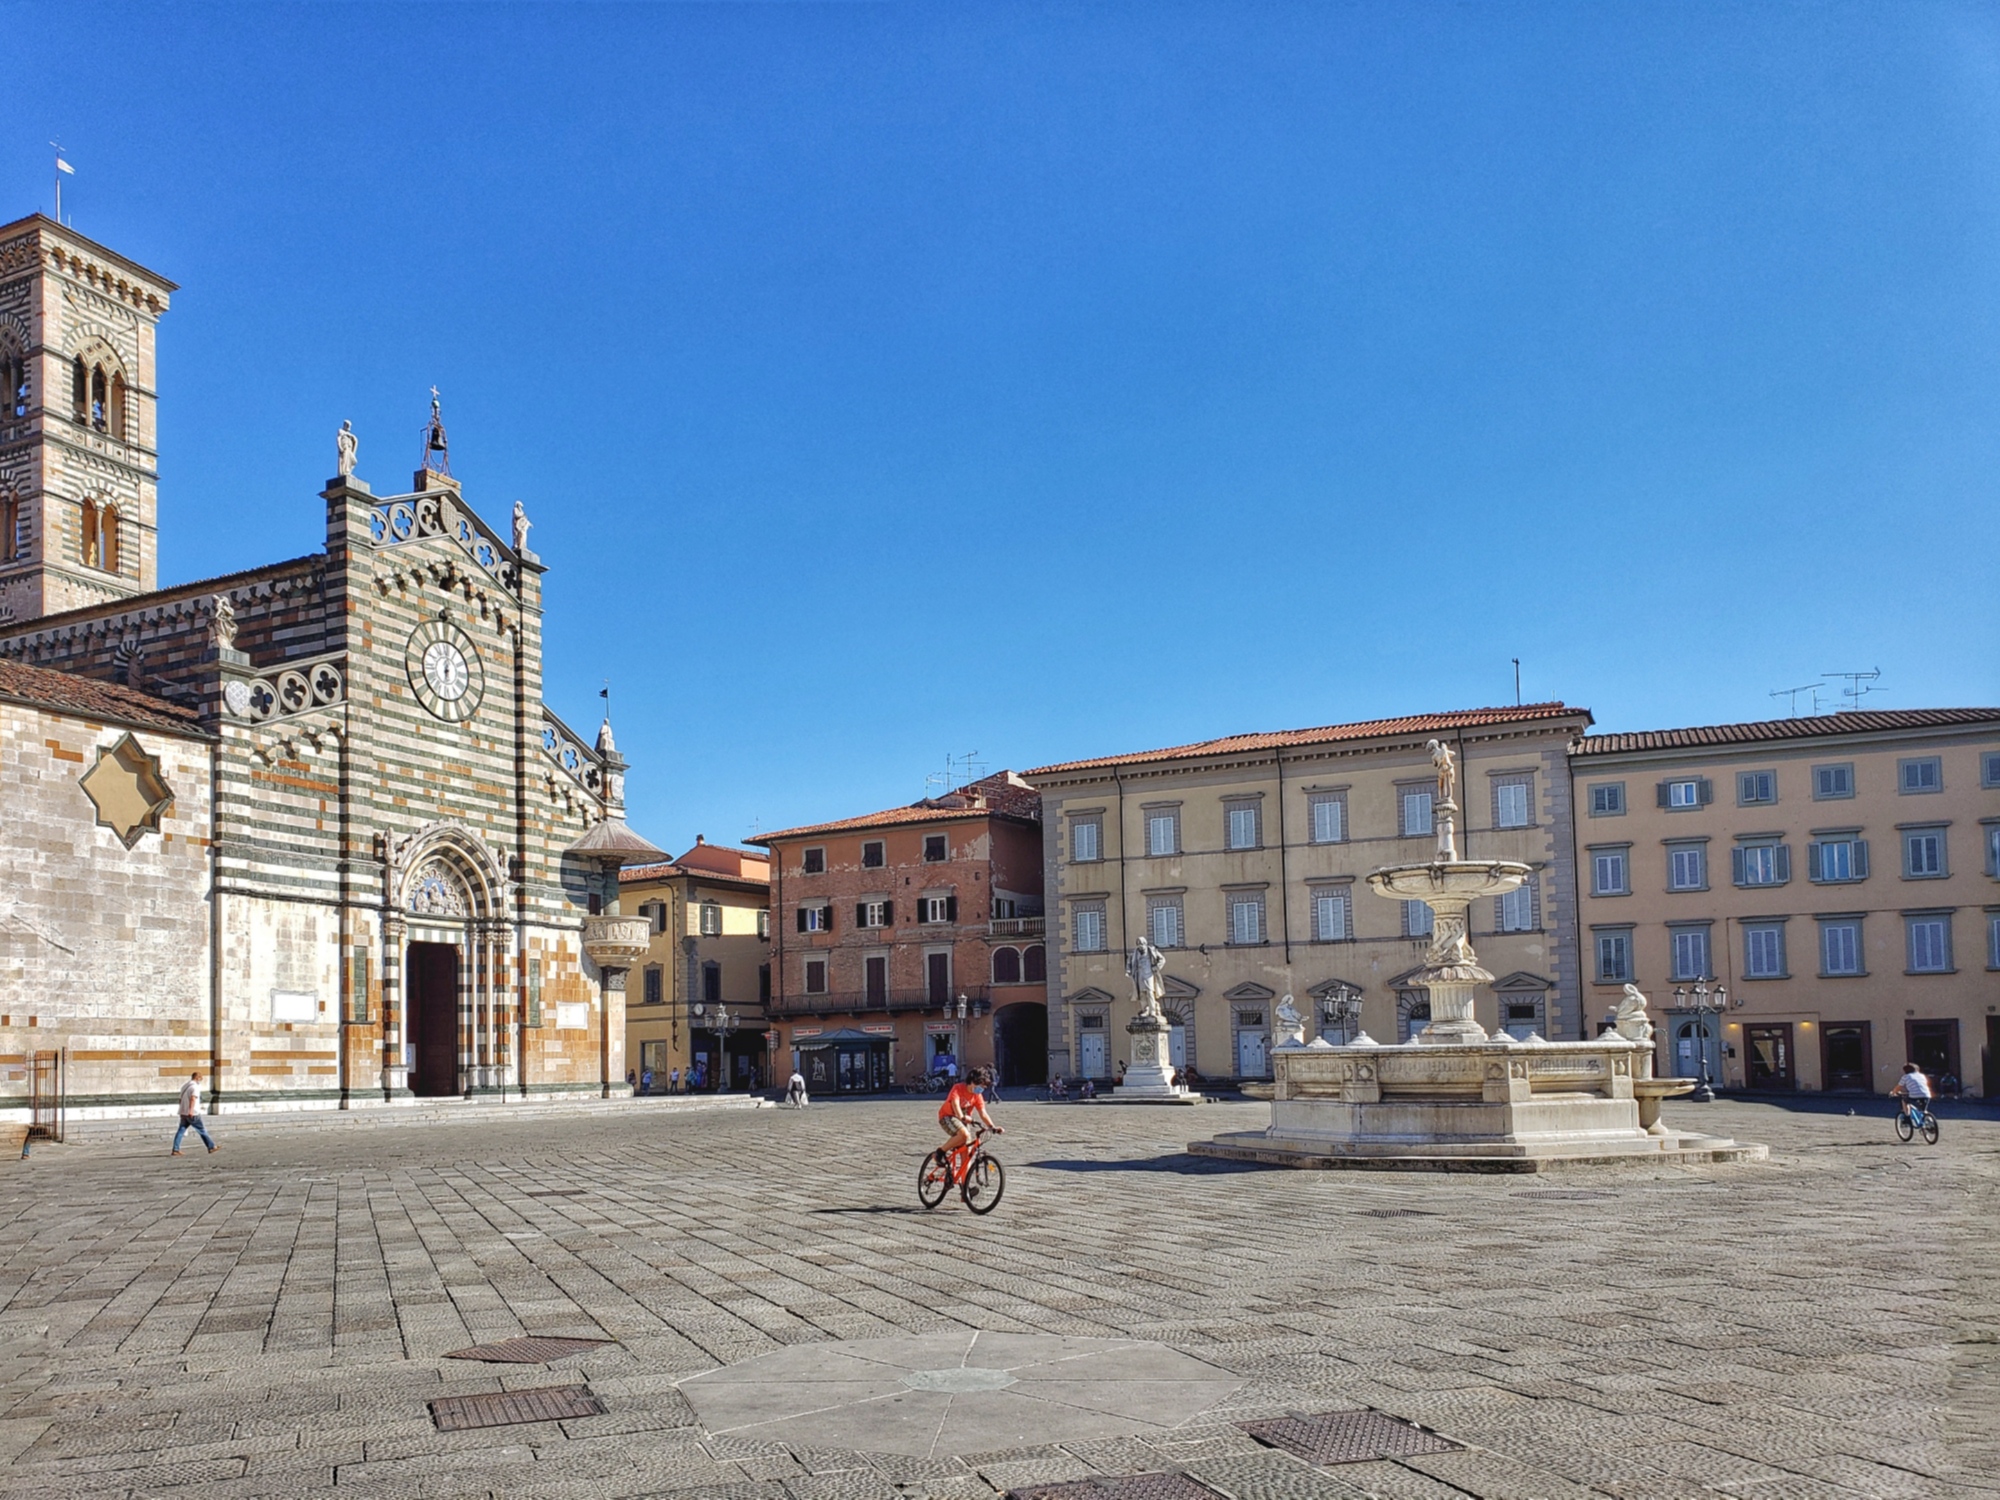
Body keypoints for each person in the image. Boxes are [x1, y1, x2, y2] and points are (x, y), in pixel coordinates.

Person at [934, 1065, 1002, 1168]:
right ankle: (940, 1153)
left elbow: (983, 1113)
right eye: (981, 1085)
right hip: (948, 1117)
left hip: (964, 1121)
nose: (982, 1089)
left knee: (967, 1153)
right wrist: (961, 1117)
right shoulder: (958, 1088)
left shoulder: (977, 1096)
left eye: (984, 1087)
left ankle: (964, 1182)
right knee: (964, 1135)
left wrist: (992, 1127)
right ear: (972, 1082)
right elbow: (955, 1104)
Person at [172, 1070, 217, 1156]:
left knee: (181, 1130)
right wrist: (191, 1110)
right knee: (202, 1130)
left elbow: (180, 1099)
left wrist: (182, 1110)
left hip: (184, 1112)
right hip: (193, 1113)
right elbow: (193, 1099)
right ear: (197, 1078)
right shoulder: (195, 1087)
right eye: (200, 1079)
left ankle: (175, 1149)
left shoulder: (185, 1086)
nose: (201, 1081)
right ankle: (211, 1147)